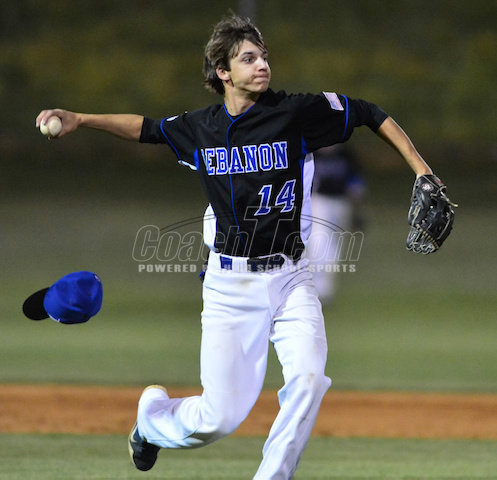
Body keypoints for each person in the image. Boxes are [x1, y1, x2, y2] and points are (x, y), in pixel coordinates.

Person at [36, 14, 436, 480]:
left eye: (263, 56)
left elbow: (367, 112)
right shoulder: (201, 128)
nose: (262, 64)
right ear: (222, 72)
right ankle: (151, 421)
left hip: (292, 278)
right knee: (218, 418)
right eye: (248, 58)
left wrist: (422, 170)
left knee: (309, 379)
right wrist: (80, 119)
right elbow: (148, 129)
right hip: (230, 288)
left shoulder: (294, 113)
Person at [307, 144, 366, 304]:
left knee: (335, 247)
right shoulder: (311, 153)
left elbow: (355, 184)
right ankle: (318, 289)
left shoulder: (345, 154)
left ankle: (325, 290)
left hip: (341, 203)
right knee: (320, 243)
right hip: (319, 202)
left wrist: (358, 211)